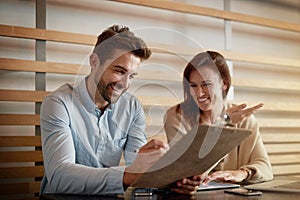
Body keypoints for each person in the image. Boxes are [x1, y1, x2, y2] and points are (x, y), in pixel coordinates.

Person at [40, 25, 169, 195]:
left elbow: (138, 171)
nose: (125, 84)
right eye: (119, 71)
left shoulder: (132, 107)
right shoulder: (58, 103)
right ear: (94, 62)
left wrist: (170, 177)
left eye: (131, 76)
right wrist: (127, 175)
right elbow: (60, 176)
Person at [164, 51, 273, 194]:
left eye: (206, 85)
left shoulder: (244, 120)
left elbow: (265, 168)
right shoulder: (176, 116)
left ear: (224, 84)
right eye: (193, 86)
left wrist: (242, 173)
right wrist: (224, 123)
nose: (199, 93)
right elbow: (189, 171)